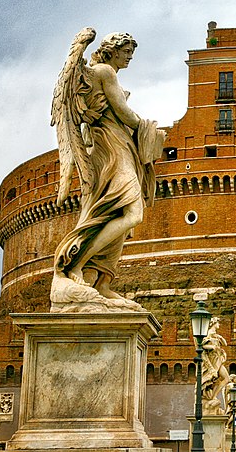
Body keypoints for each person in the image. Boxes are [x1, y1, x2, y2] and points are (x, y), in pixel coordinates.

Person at [51, 29, 165, 310]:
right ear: (112, 50)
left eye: (131, 53)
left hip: (119, 144)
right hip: (111, 147)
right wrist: (150, 129)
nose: (129, 57)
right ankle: (74, 265)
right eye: (126, 52)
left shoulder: (101, 74)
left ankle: (101, 282)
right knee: (131, 212)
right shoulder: (104, 71)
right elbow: (123, 112)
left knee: (115, 214)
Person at [201, 317, 231, 414]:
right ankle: (211, 398)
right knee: (214, 380)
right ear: (213, 323)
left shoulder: (215, 335)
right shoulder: (209, 334)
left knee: (226, 378)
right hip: (213, 360)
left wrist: (220, 337)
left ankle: (213, 396)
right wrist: (212, 346)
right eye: (218, 322)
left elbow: (225, 344)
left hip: (218, 360)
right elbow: (201, 346)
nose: (219, 325)